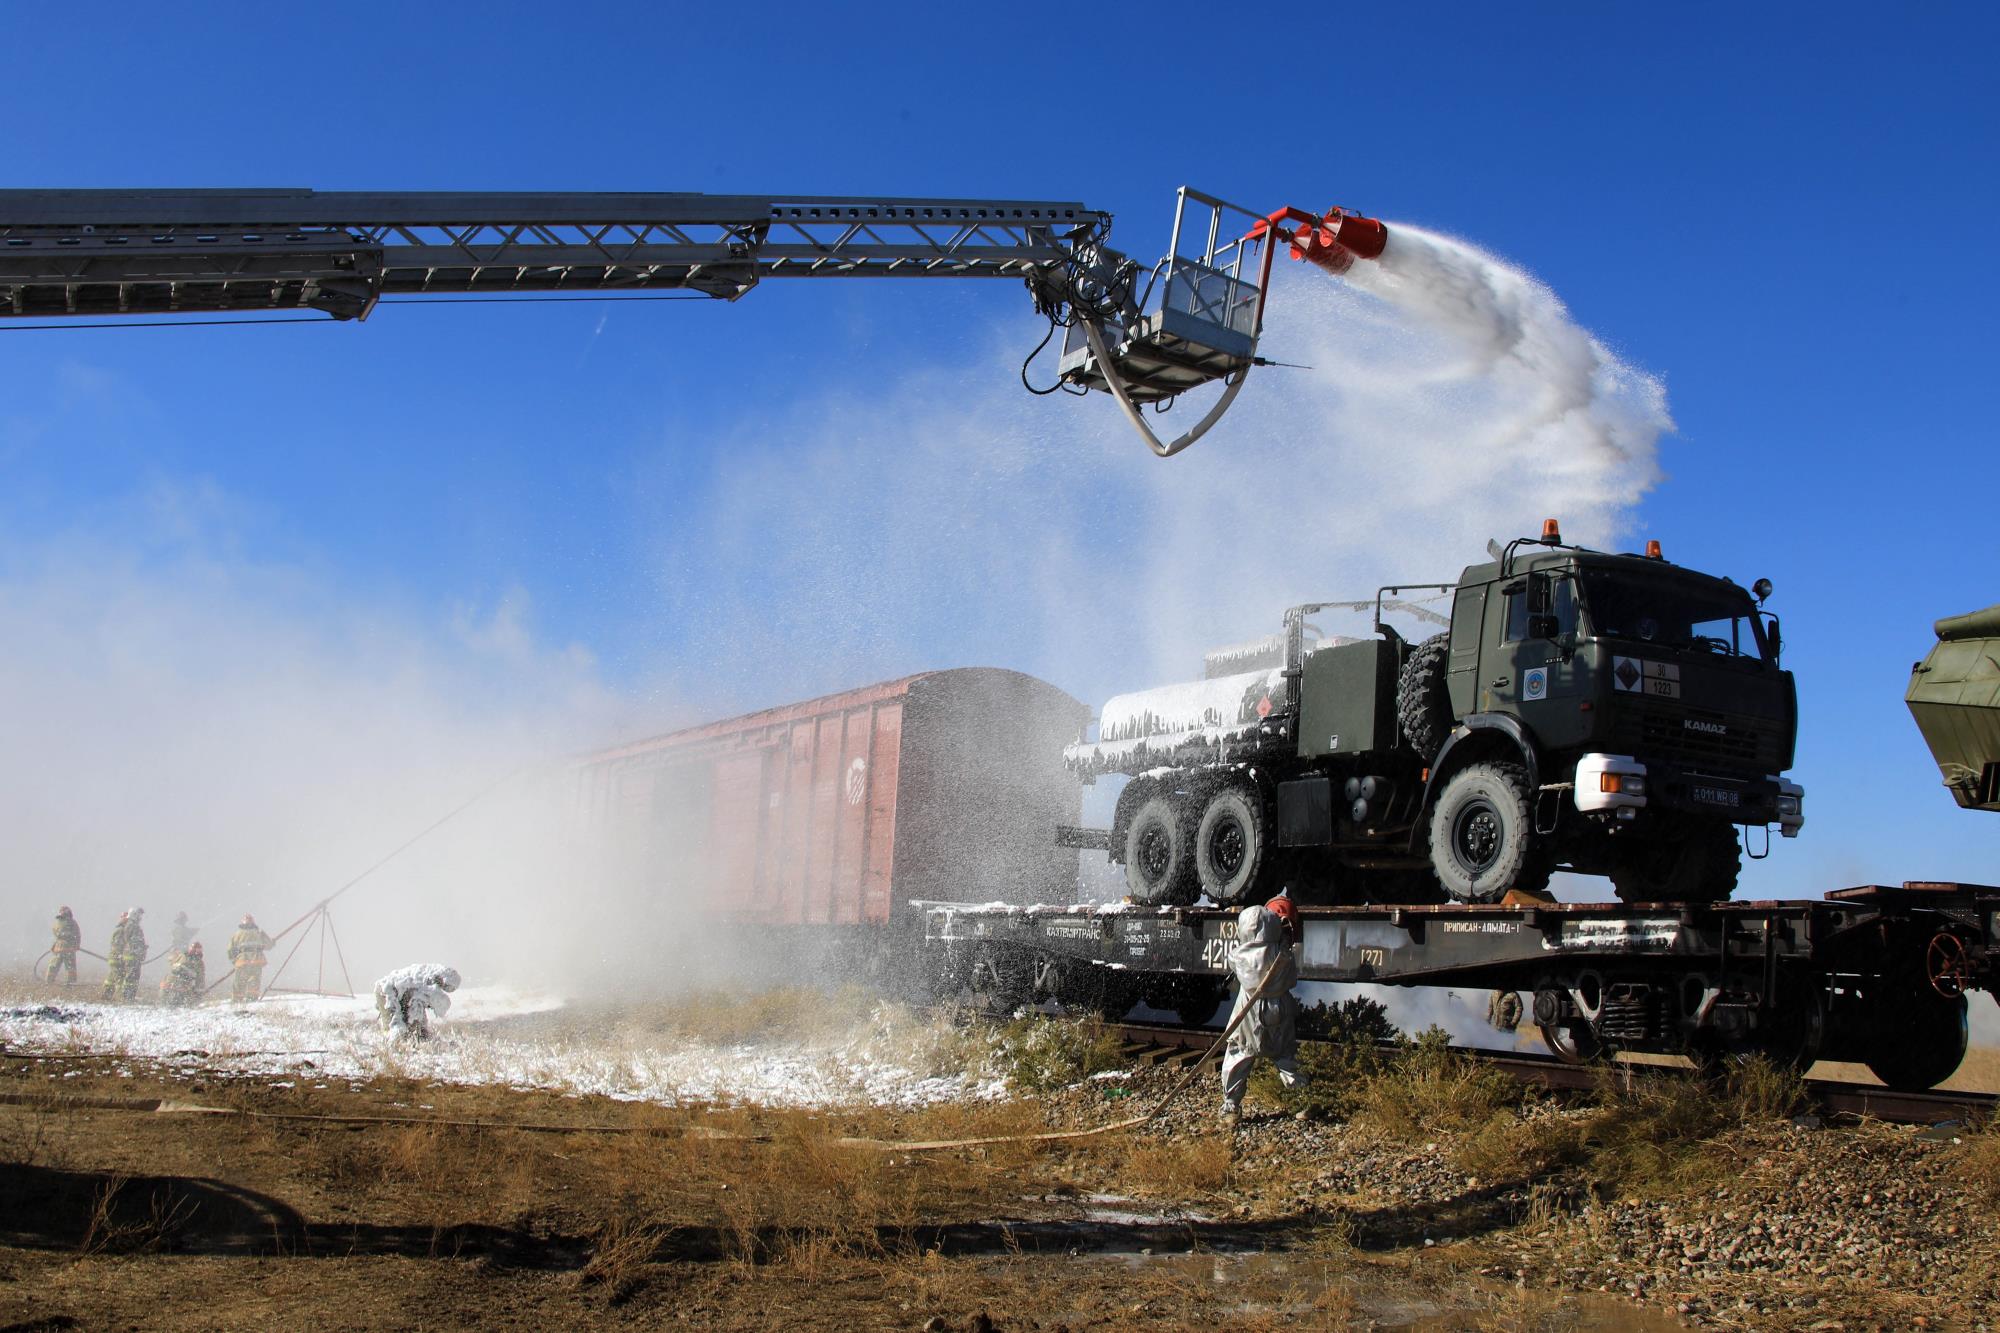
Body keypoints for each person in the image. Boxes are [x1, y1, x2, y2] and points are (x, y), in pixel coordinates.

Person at [1219, 896, 1308, 1125]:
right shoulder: (1283, 955)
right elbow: (1291, 980)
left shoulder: (1238, 956)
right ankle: (1303, 1099)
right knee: (1285, 1053)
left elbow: (1234, 963)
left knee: (1239, 1053)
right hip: (1278, 1008)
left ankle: (1231, 1105)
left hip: (1248, 1010)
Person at [373, 964, 461, 1040]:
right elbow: (415, 1013)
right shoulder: (424, 983)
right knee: (396, 1030)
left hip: (391, 991)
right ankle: (391, 1050)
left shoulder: (427, 977)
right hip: (387, 991)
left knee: (411, 1029)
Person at [228, 914, 274, 1002]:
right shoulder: (259, 933)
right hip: (256, 961)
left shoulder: (237, 934)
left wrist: (234, 960)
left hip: (241, 961)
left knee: (239, 981)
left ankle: (237, 999)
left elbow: (230, 950)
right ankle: (252, 998)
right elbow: (268, 946)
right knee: (254, 980)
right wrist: (273, 942)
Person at [160, 941, 205, 1007]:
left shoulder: (182, 957)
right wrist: (198, 992)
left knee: (171, 1003)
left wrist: (198, 991)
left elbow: (200, 978)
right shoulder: (197, 962)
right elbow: (200, 978)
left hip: (175, 987)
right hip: (174, 987)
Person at [117, 907, 147, 1001]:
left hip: (134, 956)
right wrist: (139, 948)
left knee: (133, 977)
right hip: (132, 956)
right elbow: (132, 941)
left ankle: (130, 996)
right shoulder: (132, 926)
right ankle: (128, 996)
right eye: (139, 915)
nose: (140, 917)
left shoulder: (132, 925)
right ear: (134, 915)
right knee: (131, 977)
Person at [48, 907, 82, 987]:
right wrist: (77, 945)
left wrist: (55, 945)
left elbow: (56, 933)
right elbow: (77, 935)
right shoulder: (73, 923)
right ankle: (71, 982)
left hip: (59, 948)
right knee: (70, 968)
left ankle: (49, 980)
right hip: (69, 949)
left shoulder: (57, 922)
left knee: (54, 966)